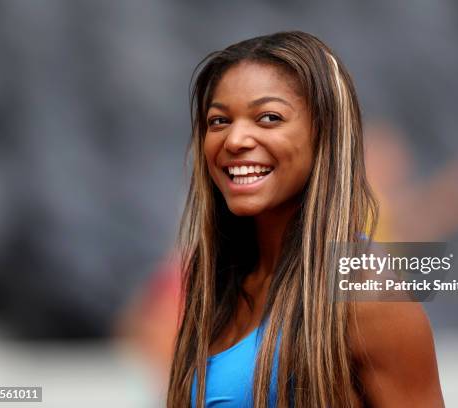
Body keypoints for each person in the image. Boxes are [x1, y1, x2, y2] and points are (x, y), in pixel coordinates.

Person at [167, 31, 444, 408]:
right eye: (218, 121)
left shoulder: (364, 289)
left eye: (268, 118)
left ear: (323, 134)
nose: (235, 139)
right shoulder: (216, 278)